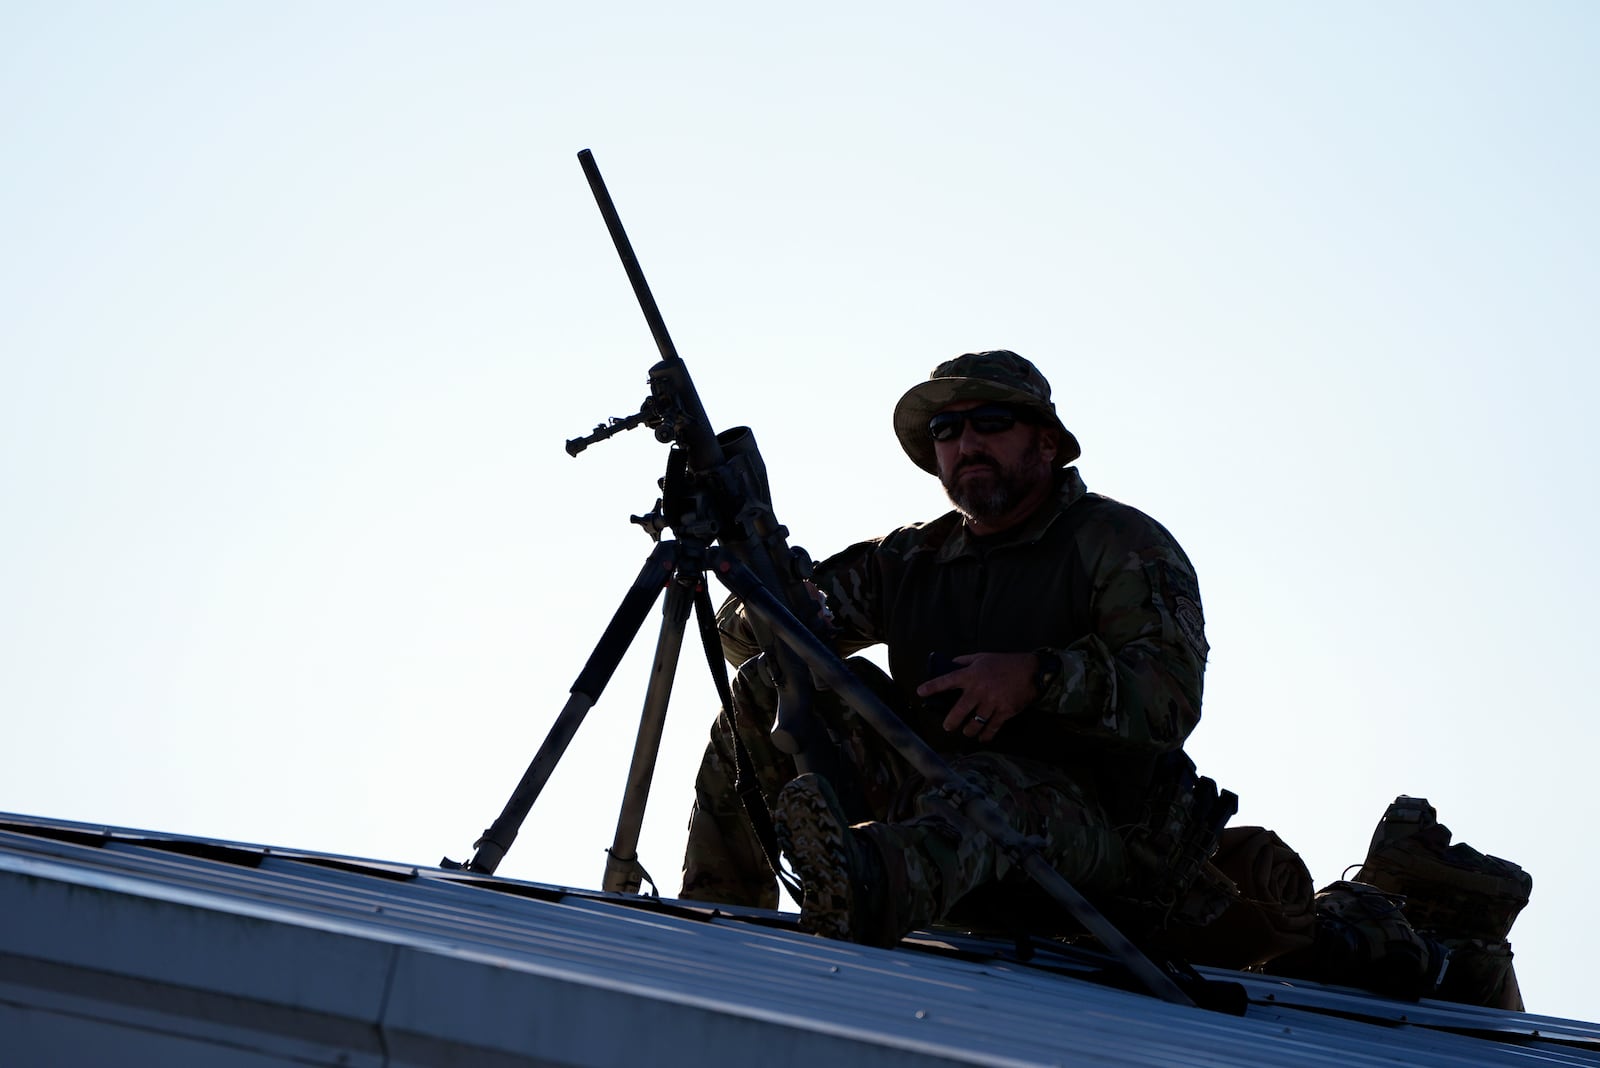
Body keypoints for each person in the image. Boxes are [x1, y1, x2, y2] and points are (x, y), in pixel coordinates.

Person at [680, 350, 1216, 947]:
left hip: (1092, 826)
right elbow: (736, 635)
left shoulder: (1121, 545)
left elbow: (1169, 700)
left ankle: (864, 888)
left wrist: (1037, 677)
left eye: (989, 423)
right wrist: (786, 606)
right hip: (932, 790)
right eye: (947, 430)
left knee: (985, 788)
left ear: (1045, 443)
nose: (966, 444)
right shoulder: (911, 557)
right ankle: (713, 923)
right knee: (768, 681)